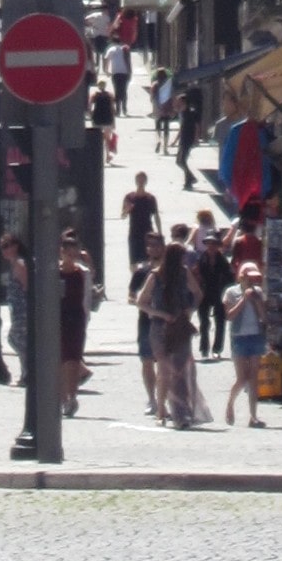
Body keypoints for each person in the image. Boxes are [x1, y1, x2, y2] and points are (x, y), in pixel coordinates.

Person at [142, 239, 200, 428]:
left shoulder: (184, 273)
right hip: (160, 327)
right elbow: (142, 302)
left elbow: (198, 293)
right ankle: (161, 411)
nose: (185, 259)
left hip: (180, 327)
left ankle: (181, 413)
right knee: (165, 371)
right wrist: (162, 314)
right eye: (182, 256)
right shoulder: (156, 275)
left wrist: (189, 311)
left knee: (181, 371)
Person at [223, 262, 267, 427]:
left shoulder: (258, 292)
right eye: (249, 277)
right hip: (239, 337)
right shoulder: (231, 292)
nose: (251, 281)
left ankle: (253, 416)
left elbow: (264, 317)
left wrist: (257, 301)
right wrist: (244, 298)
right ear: (242, 277)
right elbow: (229, 315)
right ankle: (230, 404)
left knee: (254, 377)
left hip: (255, 335)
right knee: (242, 378)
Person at [129, 232, 165, 414]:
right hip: (146, 322)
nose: (153, 249)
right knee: (147, 361)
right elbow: (131, 295)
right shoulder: (142, 272)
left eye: (156, 245)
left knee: (165, 363)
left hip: (165, 322)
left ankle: (163, 398)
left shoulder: (169, 270)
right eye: (150, 246)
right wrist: (139, 298)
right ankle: (152, 398)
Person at [59, 230, 92, 415]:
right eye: (67, 253)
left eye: (74, 254)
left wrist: (85, 320)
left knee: (72, 360)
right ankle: (62, 397)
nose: (70, 258)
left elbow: (86, 299)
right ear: (61, 252)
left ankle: (71, 396)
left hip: (76, 318)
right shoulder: (53, 272)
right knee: (58, 359)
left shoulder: (83, 273)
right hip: (57, 319)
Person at [195, 217, 232, 360]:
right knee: (204, 322)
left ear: (218, 245)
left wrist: (227, 296)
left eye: (214, 244)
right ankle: (204, 348)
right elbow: (196, 276)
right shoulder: (201, 259)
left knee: (220, 321)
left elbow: (230, 279)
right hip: (204, 294)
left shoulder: (223, 261)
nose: (211, 246)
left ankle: (217, 349)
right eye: (209, 243)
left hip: (219, 294)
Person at [1, 233, 29, 385]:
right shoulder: (13, 264)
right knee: (19, 341)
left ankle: (28, 371)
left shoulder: (20, 264)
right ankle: (26, 372)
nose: (3, 250)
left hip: (24, 310)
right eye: (2, 247)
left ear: (15, 246)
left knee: (16, 339)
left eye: (7, 246)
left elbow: (27, 287)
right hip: (17, 310)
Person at [122, 172, 161, 274]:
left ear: (146, 182)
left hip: (148, 234)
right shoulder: (129, 197)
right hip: (134, 234)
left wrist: (159, 233)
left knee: (149, 261)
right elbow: (123, 216)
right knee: (133, 263)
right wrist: (127, 209)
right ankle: (135, 282)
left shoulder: (151, 198)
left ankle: (147, 281)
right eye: (139, 180)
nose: (140, 182)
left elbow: (156, 215)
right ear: (135, 181)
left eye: (142, 180)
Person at [175, 83, 200, 188]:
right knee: (178, 161)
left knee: (182, 160)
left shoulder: (191, 112)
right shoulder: (182, 113)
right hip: (183, 139)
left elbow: (197, 126)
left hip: (189, 139)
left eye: (179, 102)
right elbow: (181, 127)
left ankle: (189, 180)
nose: (178, 104)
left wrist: (196, 139)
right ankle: (190, 177)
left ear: (184, 102)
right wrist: (175, 140)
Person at [88, 79, 117, 163]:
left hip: (97, 118)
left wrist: (91, 116)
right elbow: (112, 109)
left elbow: (89, 107)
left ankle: (96, 157)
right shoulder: (110, 95)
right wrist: (113, 121)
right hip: (108, 118)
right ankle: (107, 156)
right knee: (107, 139)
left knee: (98, 139)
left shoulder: (94, 95)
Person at [105, 38, 131, 117]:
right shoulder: (125, 49)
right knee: (124, 90)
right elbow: (128, 61)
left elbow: (106, 60)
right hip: (124, 72)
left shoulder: (111, 49)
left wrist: (106, 70)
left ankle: (118, 110)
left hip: (115, 72)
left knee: (117, 90)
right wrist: (130, 72)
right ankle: (124, 109)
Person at [151, 65, 174, 154]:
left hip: (158, 109)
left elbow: (152, 97)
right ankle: (165, 148)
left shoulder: (154, 84)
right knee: (166, 128)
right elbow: (172, 96)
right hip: (167, 108)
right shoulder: (168, 84)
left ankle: (158, 141)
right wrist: (172, 108)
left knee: (157, 127)